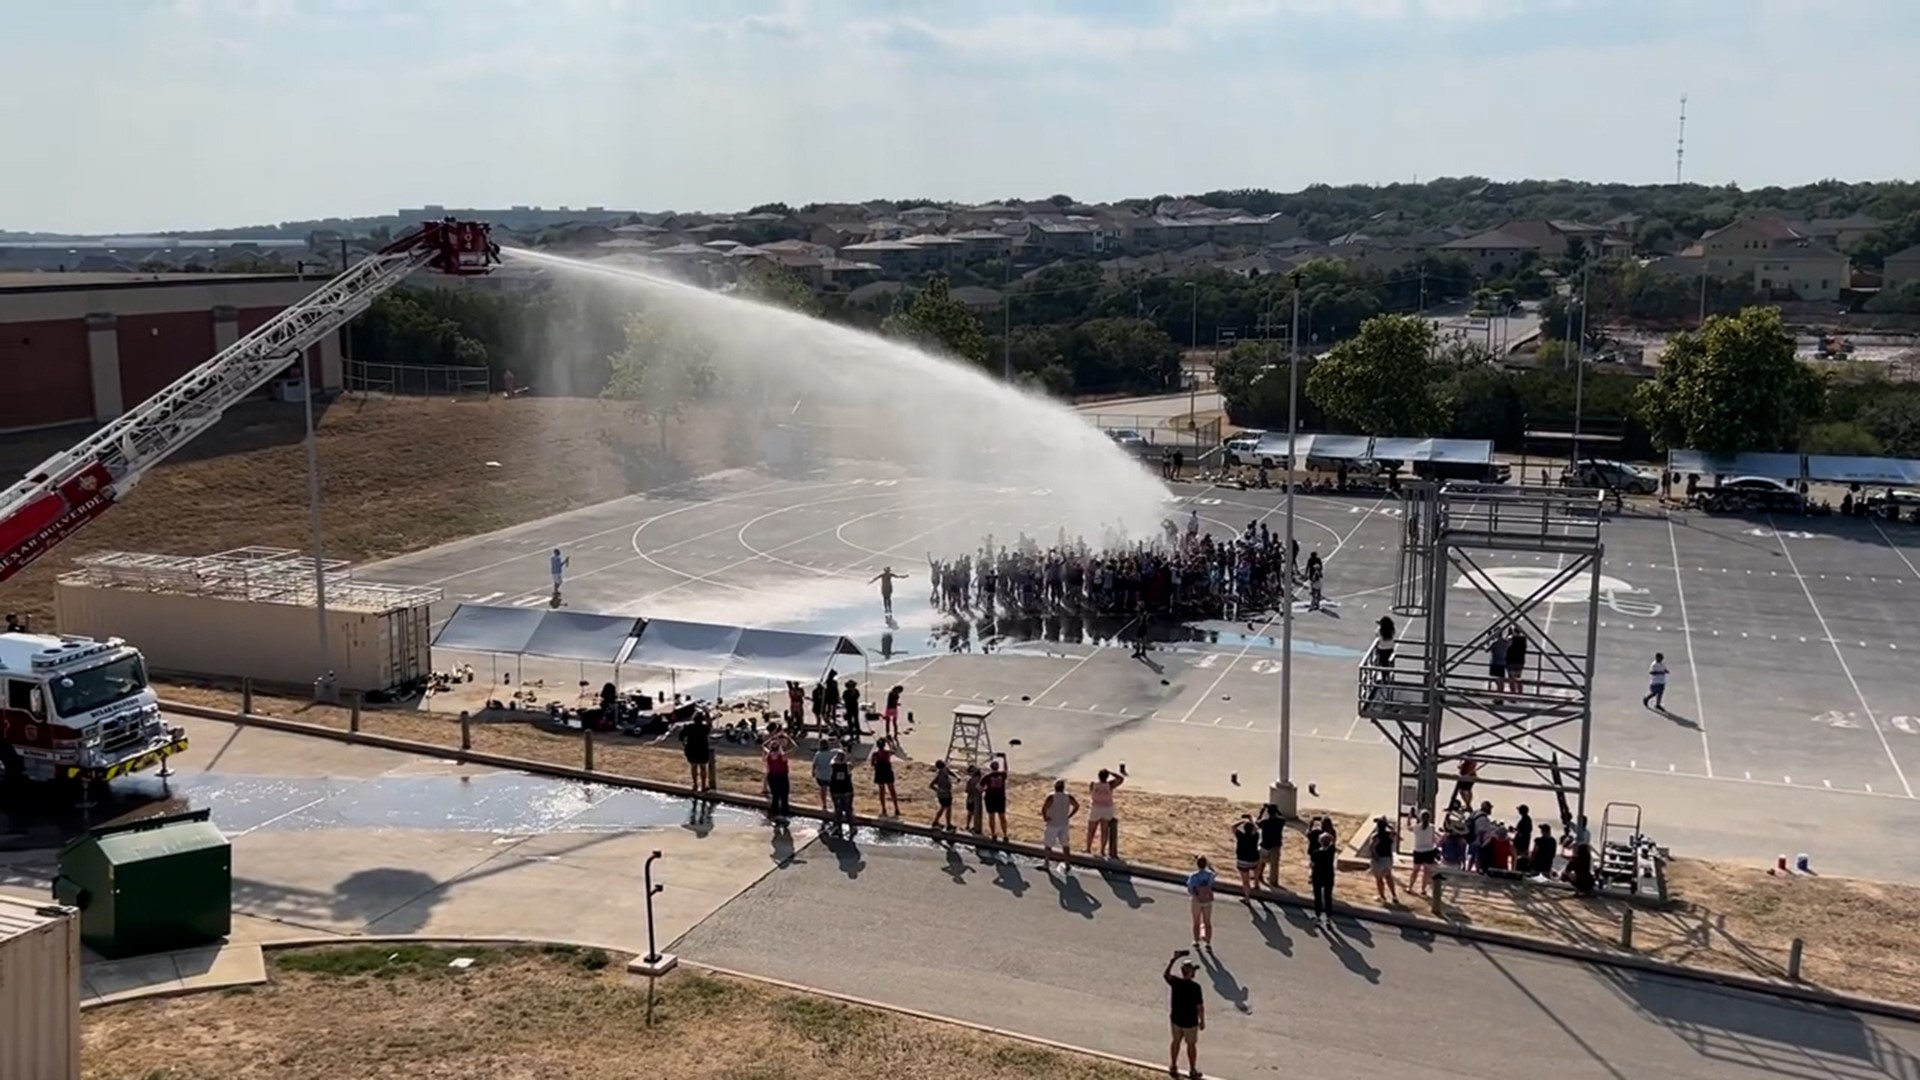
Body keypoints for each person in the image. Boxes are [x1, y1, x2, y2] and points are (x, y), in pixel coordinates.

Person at [1163, 950, 1205, 1080]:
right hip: (1190, 1022)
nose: (1195, 972)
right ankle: (1192, 1070)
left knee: (1176, 1041)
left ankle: (1173, 1066)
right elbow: (1200, 1007)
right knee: (1191, 1045)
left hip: (1176, 1019)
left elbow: (1166, 974)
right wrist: (1202, 1021)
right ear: (1190, 972)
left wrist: (1173, 959)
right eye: (1193, 970)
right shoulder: (1195, 987)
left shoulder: (1176, 982)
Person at [1085, 766, 1124, 859]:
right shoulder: (1110, 785)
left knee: (1091, 830)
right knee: (1104, 830)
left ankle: (1088, 848)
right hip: (1107, 809)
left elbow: (1091, 792)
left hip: (1096, 807)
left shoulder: (1093, 784)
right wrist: (1111, 772)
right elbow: (1121, 779)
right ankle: (1102, 850)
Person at [1040, 779, 1080, 870]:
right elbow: (1077, 806)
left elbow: (1044, 808)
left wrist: (1045, 818)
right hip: (1064, 823)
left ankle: (1046, 863)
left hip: (1053, 823)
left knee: (1048, 845)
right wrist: (1070, 815)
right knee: (1065, 844)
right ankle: (1068, 864)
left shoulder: (1051, 796)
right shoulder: (1068, 796)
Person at [761, 729, 794, 824]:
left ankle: (774, 815)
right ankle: (785, 815)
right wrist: (788, 737)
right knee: (784, 796)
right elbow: (795, 747)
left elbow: (763, 745)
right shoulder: (782, 756)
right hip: (782, 776)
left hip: (772, 777)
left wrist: (772, 738)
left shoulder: (769, 755)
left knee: (775, 796)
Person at [679, 708, 715, 793]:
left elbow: (681, 737)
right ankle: (703, 785)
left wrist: (684, 744)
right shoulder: (704, 728)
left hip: (691, 749)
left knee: (693, 766)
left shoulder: (689, 727)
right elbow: (710, 726)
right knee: (703, 767)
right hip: (702, 749)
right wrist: (708, 719)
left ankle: (695, 784)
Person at [1186, 856, 1218, 948]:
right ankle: (1208, 942)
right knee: (1207, 922)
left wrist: (1195, 895)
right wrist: (1210, 866)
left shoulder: (1193, 876)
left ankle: (1196, 941)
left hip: (1197, 900)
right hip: (1207, 899)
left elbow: (1190, 889)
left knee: (1196, 922)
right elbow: (1215, 874)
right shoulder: (1209, 875)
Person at [1365, 815, 1398, 904]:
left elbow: (1372, 847)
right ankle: (1394, 895)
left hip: (1379, 860)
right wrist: (1388, 825)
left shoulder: (1376, 836)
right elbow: (1395, 833)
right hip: (1388, 859)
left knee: (1379, 879)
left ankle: (1382, 896)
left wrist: (1375, 856)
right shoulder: (1389, 835)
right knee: (1389, 877)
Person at [1309, 828, 1338, 925]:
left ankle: (1318, 916)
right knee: (1328, 897)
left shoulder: (1316, 853)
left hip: (1317, 876)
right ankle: (1328, 918)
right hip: (1328, 875)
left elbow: (1312, 865)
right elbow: (1333, 842)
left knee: (1318, 897)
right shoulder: (1331, 851)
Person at [1407, 809, 1439, 896]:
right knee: (1426, 872)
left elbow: (1408, 827)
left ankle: (1410, 887)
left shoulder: (1416, 827)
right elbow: (1434, 839)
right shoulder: (1432, 827)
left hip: (1418, 851)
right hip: (1429, 851)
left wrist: (1409, 817)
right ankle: (1423, 889)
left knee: (1415, 871)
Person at [1255, 803, 1285, 890]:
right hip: (1276, 845)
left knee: (1261, 862)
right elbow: (1281, 816)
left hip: (1265, 844)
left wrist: (1262, 812)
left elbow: (1257, 822)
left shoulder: (1265, 822)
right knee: (1274, 865)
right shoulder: (1280, 821)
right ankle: (1273, 881)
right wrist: (1277, 811)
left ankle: (1259, 875)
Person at [1231, 815, 1262, 900]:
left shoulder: (1241, 836)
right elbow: (1256, 828)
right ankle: (1256, 883)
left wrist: (1242, 821)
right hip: (1254, 858)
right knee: (1256, 869)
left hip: (1243, 859)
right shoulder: (1255, 836)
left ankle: (1247, 898)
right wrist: (1250, 820)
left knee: (1245, 881)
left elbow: (1233, 827)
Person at [827, 749, 856, 834]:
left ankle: (839, 828)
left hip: (836, 790)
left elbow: (831, 761)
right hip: (847, 790)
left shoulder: (833, 766)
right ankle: (851, 828)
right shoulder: (847, 766)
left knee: (837, 809)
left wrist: (835, 756)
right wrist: (847, 754)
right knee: (848, 810)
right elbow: (853, 762)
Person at [982, 755, 1011, 841]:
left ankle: (993, 834)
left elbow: (979, 787)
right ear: (998, 767)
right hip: (1000, 799)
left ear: (991, 768)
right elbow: (1006, 769)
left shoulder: (987, 777)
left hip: (990, 798)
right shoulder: (1002, 775)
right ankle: (1005, 835)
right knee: (1002, 817)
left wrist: (985, 789)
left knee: (991, 817)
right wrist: (1005, 758)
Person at [869, 737, 900, 816]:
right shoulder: (887, 753)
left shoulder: (875, 754)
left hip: (879, 773)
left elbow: (872, 764)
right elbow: (895, 750)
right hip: (887, 771)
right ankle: (896, 808)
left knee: (882, 791)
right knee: (892, 790)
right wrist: (889, 742)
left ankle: (883, 808)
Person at [929, 759, 955, 831]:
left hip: (942, 794)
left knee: (943, 808)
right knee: (948, 809)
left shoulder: (942, 772)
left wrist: (938, 790)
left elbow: (931, 785)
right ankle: (948, 824)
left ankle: (936, 821)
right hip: (945, 794)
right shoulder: (942, 774)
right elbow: (931, 785)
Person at [811, 738, 836, 812]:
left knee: (823, 789)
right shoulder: (831, 753)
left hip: (821, 775)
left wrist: (813, 771)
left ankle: (824, 805)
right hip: (830, 775)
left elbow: (814, 764)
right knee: (833, 791)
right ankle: (835, 805)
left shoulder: (818, 754)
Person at [963, 764, 985, 834]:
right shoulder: (980, 779)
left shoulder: (971, 780)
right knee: (977, 814)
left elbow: (967, 790)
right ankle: (976, 827)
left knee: (970, 813)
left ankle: (968, 825)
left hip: (971, 798)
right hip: (978, 799)